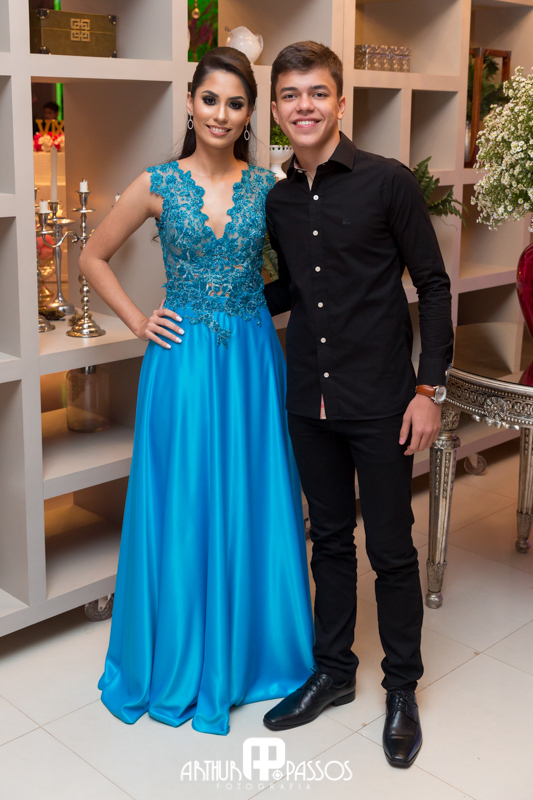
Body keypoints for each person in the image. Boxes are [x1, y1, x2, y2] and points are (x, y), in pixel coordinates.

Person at [80, 46, 315, 736]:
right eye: (210, 99)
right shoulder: (156, 183)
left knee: (252, 494)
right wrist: (137, 320)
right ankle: (178, 655)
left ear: (250, 115)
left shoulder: (269, 187)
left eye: (236, 103)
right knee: (182, 497)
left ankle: (255, 654)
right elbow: (92, 255)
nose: (221, 114)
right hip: (180, 363)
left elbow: (305, 267)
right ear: (190, 103)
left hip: (249, 359)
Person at [262, 42, 454, 768]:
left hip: (382, 398)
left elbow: (432, 284)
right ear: (275, 110)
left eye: (317, 92)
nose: (304, 106)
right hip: (308, 397)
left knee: (392, 549)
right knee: (331, 541)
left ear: (340, 102)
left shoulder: (387, 182)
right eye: (290, 95)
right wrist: (216, 297)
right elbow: (292, 290)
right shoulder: (278, 199)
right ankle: (334, 672)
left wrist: (428, 389)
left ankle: (402, 688)